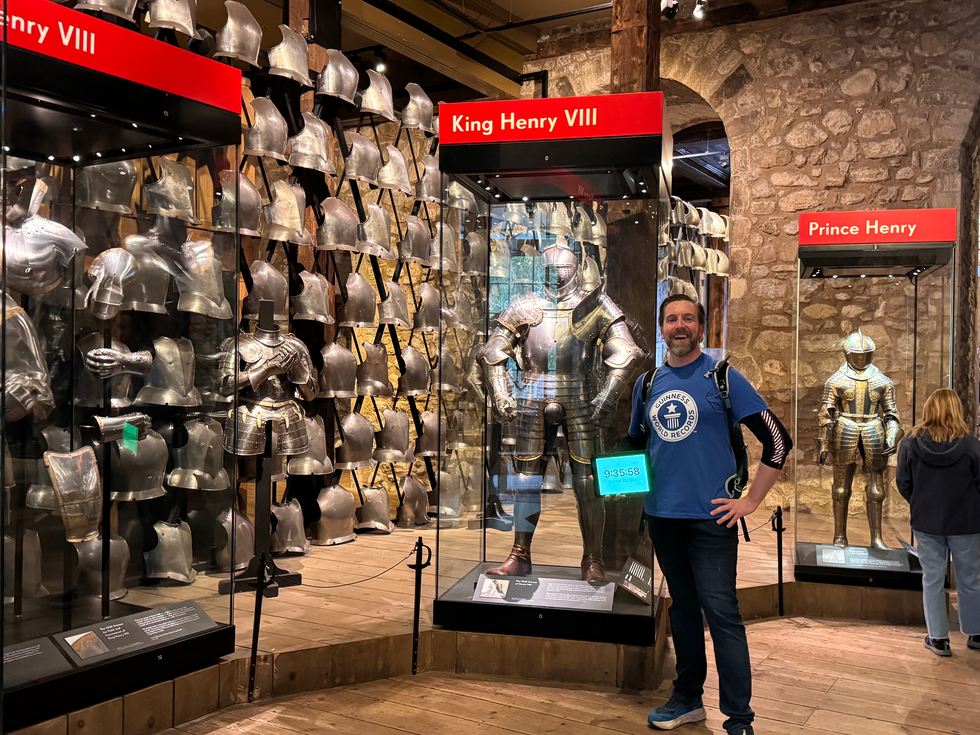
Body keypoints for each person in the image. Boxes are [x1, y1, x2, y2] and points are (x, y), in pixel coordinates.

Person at [627, 294, 792, 735]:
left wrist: (751, 500)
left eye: (688, 319)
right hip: (662, 517)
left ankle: (739, 718)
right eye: (671, 319)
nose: (679, 326)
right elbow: (636, 449)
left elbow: (777, 440)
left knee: (721, 613)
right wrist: (613, 484)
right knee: (682, 608)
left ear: (701, 327)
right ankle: (688, 698)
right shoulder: (646, 385)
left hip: (712, 519)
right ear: (661, 329)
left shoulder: (724, 379)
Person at [896, 388, 980, 657]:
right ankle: (976, 633)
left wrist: (920, 502)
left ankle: (939, 638)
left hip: (927, 521)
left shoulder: (911, 442)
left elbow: (903, 482)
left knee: (932, 579)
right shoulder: (970, 443)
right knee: (970, 579)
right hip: (966, 522)